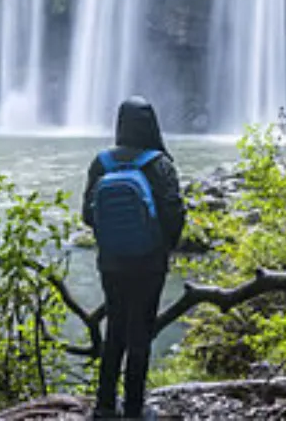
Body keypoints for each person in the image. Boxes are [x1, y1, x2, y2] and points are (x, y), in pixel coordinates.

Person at [83, 96, 184, 419]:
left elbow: (87, 215)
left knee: (115, 329)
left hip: (111, 263)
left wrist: (111, 242)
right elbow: (174, 216)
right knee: (140, 332)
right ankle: (135, 409)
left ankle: (104, 405)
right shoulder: (159, 164)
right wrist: (163, 247)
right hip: (149, 264)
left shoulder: (101, 163)